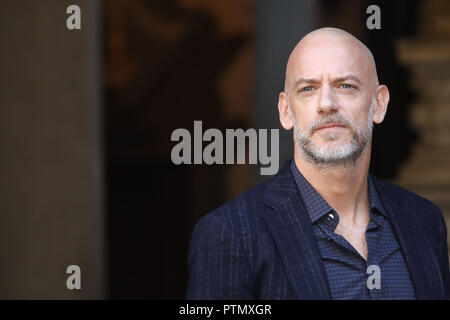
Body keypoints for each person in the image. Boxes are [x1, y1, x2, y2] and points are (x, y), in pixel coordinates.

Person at [186, 27, 450, 299]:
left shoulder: (423, 220)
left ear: (379, 103)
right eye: (308, 88)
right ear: (286, 111)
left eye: (345, 86)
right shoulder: (230, 235)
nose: (326, 104)